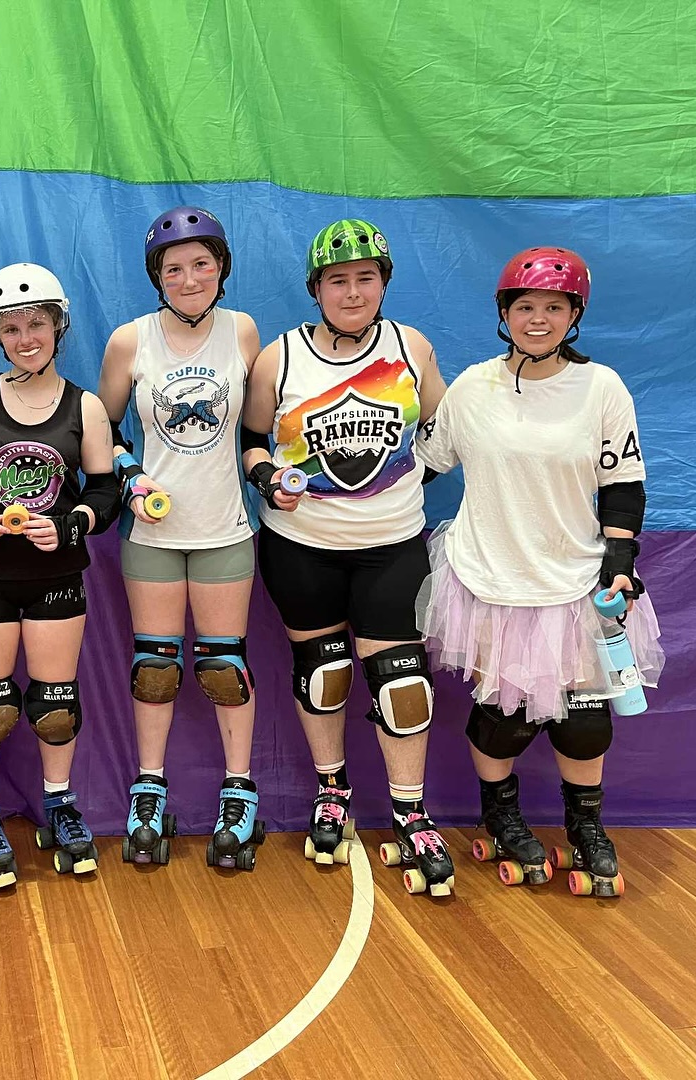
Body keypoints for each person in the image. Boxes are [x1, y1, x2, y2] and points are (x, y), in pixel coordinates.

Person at [417, 246, 664, 897]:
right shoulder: (474, 387)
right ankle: (501, 817)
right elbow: (420, 464)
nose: (538, 318)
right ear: (505, 312)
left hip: (574, 580)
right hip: (489, 577)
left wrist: (621, 560)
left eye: (554, 307)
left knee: (586, 719)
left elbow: (623, 484)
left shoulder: (601, 387)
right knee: (505, 715)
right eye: (525, 306)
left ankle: (586, 828)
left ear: (573, 315)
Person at [241, 219, 456, 895]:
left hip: (392, 545)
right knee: (325, 673)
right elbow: (250, 445)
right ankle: (331, 791)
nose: (353, 291)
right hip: (302, 546)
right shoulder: (279, 358)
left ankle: (410, 809)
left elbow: (446, 433)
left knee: (402, 683)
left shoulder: (410, 346)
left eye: (366, 278)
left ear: (384, 284)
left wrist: (408, 477)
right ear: (316, 290)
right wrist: (269, 478)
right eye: (339, 280)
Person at [0, 263, 120, 889]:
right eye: (9, 328)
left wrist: (70, 526)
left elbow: (104, 490)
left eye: (36, 323)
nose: (24, 337)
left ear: (58, 325)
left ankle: (60, 805)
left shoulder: (84, 406)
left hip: (57, 573)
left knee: (55, 704)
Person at [96, 206, 266, 870]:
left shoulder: (243, 332)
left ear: (221, 269)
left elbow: (255, 431)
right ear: (157, 277)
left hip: (225, 525)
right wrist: (131, 472)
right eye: (174, 268)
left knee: (225, 668)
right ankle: (149, 790)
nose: (189, 278)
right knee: (156, 668)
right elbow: (101, 430)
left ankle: (239, 791)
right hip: (153, 532)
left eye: (201, 264)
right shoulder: (130, 341)